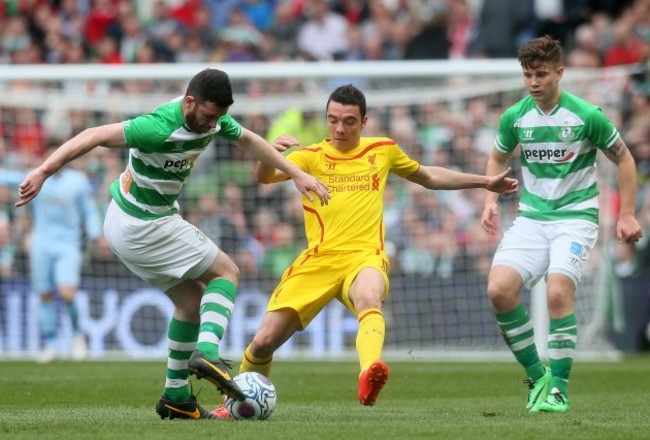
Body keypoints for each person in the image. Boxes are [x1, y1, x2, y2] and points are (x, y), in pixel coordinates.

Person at [14, 68, 330, 421]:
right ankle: (208, 352)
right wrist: (43, 171)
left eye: (220, 117)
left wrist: (297, 173)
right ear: (190, 102)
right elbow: (92, 135)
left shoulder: (213, 119)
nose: (214, 124)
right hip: (143, 222)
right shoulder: (157, 126)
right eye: (210, 116)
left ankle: (176, 395)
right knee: (227, 271)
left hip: (129, 223)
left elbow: (249, 140)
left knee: (191, 302)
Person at [211, 84, 518, 417]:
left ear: (364, 121)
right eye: (333, 120)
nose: (339, 128)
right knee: (263, 342)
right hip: (319, 261)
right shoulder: (310, 156)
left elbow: (429, 176)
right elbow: (266, 177)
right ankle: (234, 403)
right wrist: (270, 153)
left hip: (364, 256)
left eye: (348, 121)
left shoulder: (382, 151)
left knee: (369, 297)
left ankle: (369, 372)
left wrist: (484, 182)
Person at [481, 35, 642, 414]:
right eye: (527, 75)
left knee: (557, 294)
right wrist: (489, 199)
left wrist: (628, 213)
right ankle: (538, 377)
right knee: (498, 290)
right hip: (532, 217)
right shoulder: (515, 116)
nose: (533, 83)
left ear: (559, 73)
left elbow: (625, 160)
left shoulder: (587, 115)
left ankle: (560, 391)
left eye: (540, 74)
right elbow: (495, 158)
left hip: (575, 218)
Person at [1, 145, 102, 363]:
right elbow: (8, 177)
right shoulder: (36, 177)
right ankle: (51, 344)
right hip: (41, 244)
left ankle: (77, 335)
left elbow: (88, 209)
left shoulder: (78, 181)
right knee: (45, 294)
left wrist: (96, 233)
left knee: (67, 294)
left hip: (68, 245)